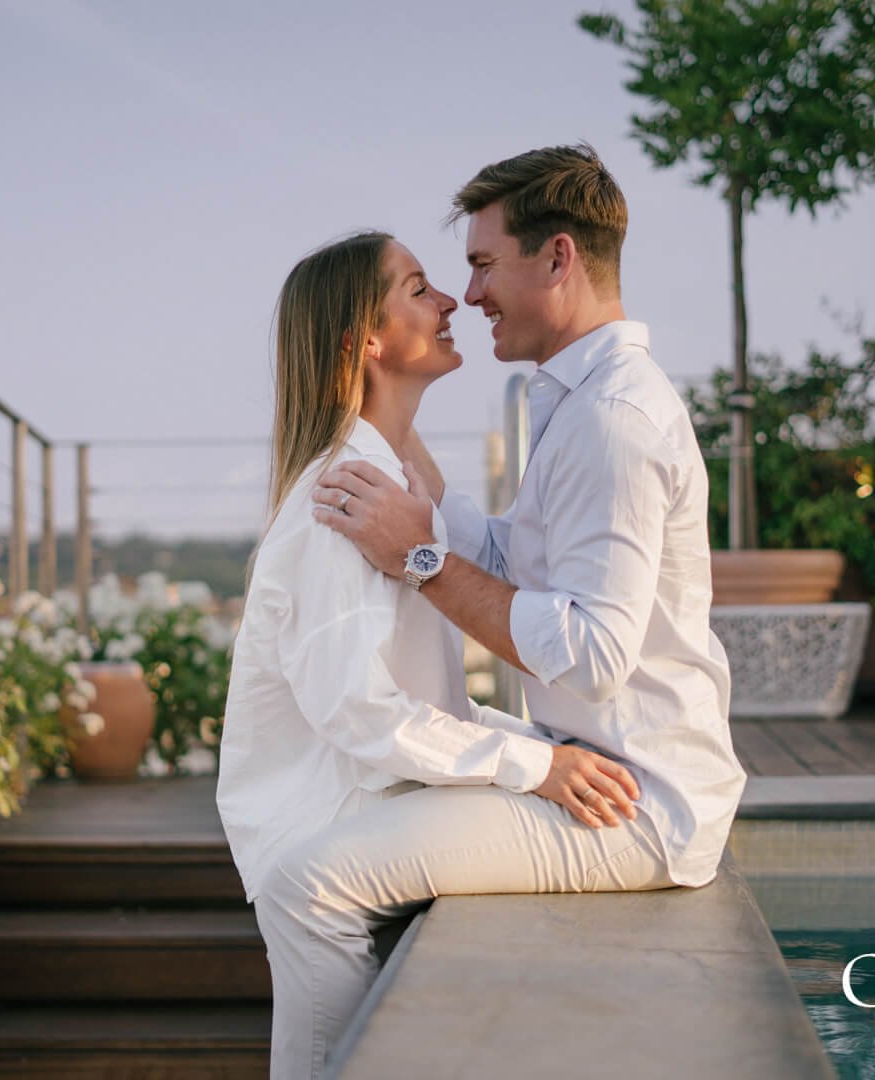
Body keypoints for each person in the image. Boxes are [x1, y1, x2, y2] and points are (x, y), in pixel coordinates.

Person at [295, 144, 747, 1069]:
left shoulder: (613, 419)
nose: (469, 294)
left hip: (637, 807)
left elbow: (592, 653)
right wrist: (408, 462)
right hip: (608, 773)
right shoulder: (582, 402)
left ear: (558, 257)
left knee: (313, 887)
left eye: (483, 264)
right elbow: (517, 565)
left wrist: (419, 558)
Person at [216, 229, 644, 1080]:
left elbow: (428, 700)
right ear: (366, 342)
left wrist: (547, 751)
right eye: (418, 289)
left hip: (371, 806)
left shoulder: (393, 486)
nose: (451, 299)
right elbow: (360, 710)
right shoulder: (344, 496)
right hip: (322, 839)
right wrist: (535, 766)